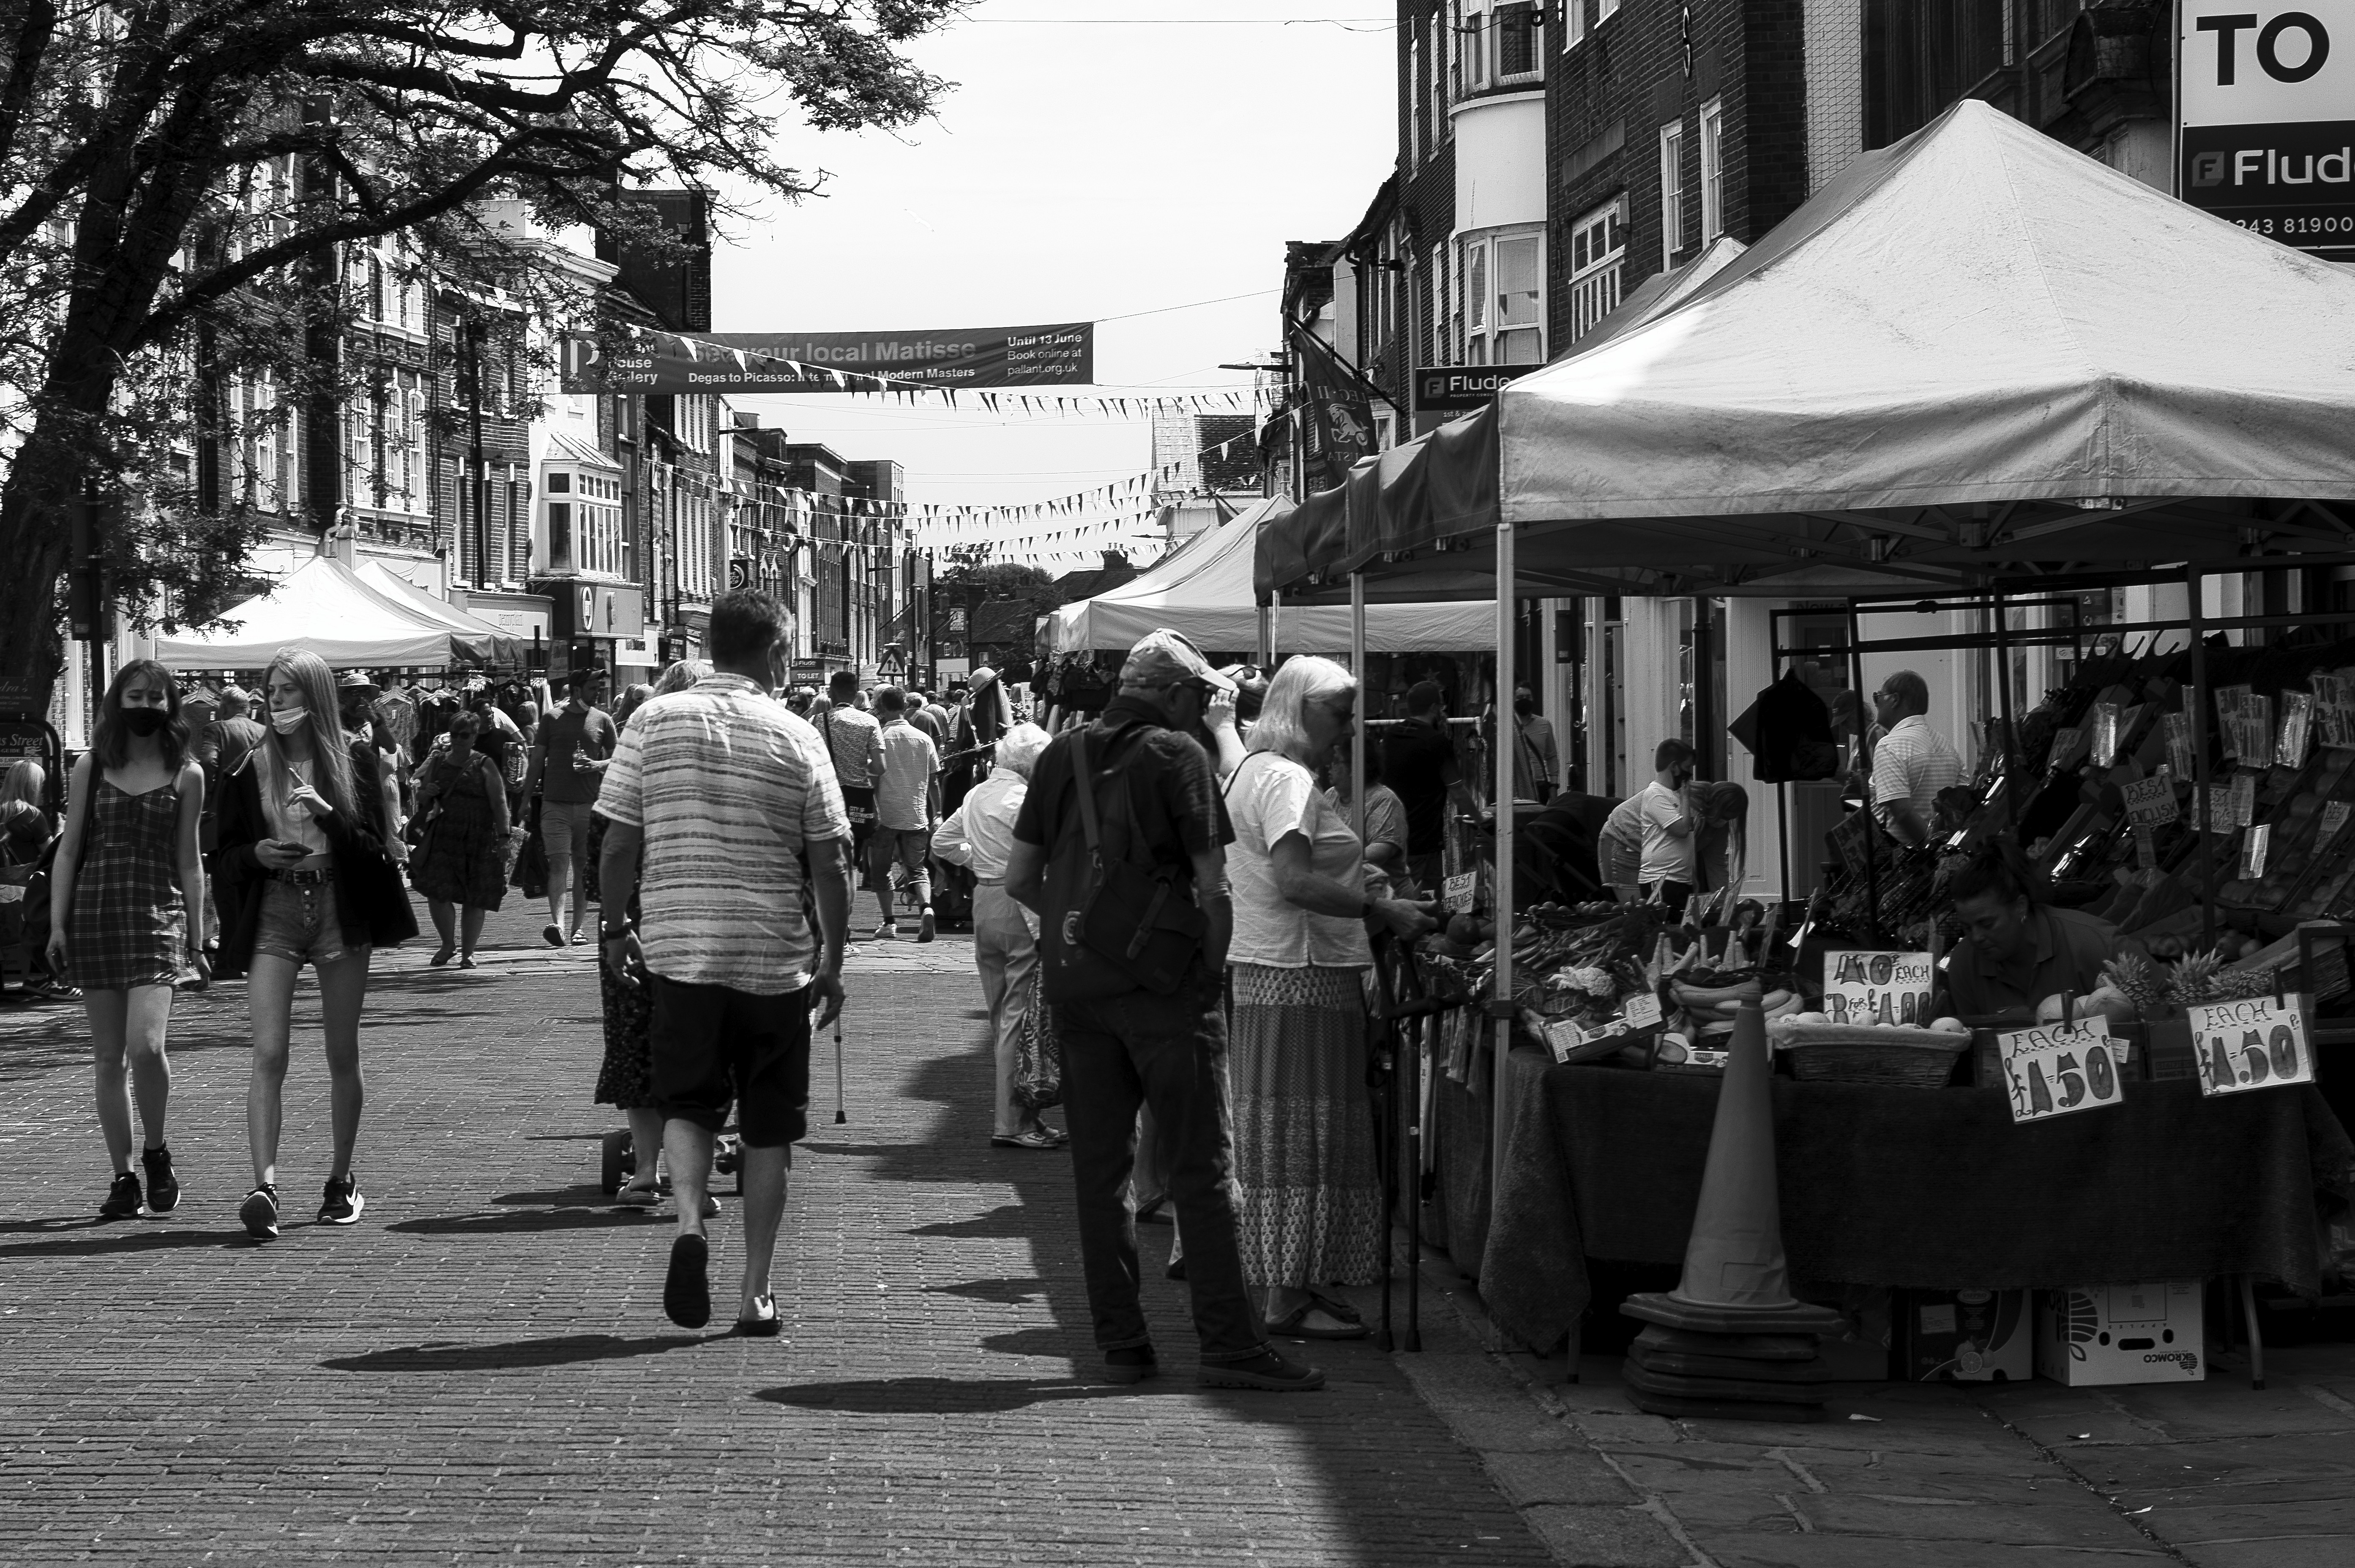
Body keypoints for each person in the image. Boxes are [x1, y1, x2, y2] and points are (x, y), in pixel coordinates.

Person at [1006, 627, 1323, 1393]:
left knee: (1100, 1173)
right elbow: (1213, 886)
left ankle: (1121, 1344)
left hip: (1080, 988)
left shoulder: (1060, 754)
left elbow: (1020, 876)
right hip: (1165, 992)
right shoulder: (1178, 755)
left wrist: (1085, 930)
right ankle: (1229, 1343)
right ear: (1178, 696)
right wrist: (1204, 967)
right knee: (1201, 1170)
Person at [596, 590, 855, 1334]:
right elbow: (831, 861)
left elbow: (618, 840)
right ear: (776, 654)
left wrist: (616, 929)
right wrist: (833, 961)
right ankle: (755, 1293)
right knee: (770, 1126)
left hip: (680, 950)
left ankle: (686, 1220)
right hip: (775, 958)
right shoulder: (797, 735)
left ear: (711, 649)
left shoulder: (650, 720)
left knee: (687, 1100)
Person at [1223, 657, 1436, 1341]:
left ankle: (1296, 1280)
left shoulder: (1254, 770)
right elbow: (1293, 880)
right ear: (1303, 709)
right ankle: (1288, 1293)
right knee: (1302, 1138)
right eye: (1340, 713)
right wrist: (1386, 909)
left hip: (1275, 969)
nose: (1349, 728)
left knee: (1288, 1135)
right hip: (1301, 972)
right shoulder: (1284, 778)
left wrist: (1366, 881)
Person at [216, 647, 418, 1240]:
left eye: (287, 690)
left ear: (314, 696)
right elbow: (224, 854)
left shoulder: (350, 758)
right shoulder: (250, 765)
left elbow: (378, 851)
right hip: (277, 903)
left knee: (340, 1051)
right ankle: (265, 1185)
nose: (276, 701)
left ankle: (341, 1179)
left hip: (338, 902)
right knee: (269, 1051)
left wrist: (330, 814)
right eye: (271, 691)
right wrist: (256, 852)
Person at [44, 662, 207, 1219]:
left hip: (158, 915)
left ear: (170, 705)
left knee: (147, 1046)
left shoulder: (187, 773)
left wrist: (200, 935)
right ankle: (123, 1174)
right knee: (108, 1057)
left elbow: (190, 859)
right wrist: (58, 923)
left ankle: (156, 1151)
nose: (144, 704)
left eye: (154, 696)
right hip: (96, 913)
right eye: (134, 695)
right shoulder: (91, 765)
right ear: (118, 700)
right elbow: (68, 849)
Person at [596, 658, 715, 1213]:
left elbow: (617, 845)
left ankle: (645, 1170)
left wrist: (615, 923)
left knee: (635, 1037)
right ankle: (693, 1177)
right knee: (701, 1041)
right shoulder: (732, 750)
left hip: (645, 909)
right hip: (710, 910)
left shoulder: (640, 746)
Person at [934, 722, 1062, 1150]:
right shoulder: (1025, 799)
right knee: (1019, 1018)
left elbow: (942, 841)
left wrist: (978, 861)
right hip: (1020, 906)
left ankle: (1023, 1113)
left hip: (985, 904)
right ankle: (1012, 1121)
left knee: (1001, 1018)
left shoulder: (976, 794)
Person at [1941, 839, 2117, 1021]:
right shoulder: (1965, 964)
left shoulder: (2094, 944)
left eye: (1987, 924)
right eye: (1967, 928)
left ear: (2020, 907)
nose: (1976, 937)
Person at [407, 711, 510, 968]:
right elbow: (422, 799)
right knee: (438, 893)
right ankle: (447, 944)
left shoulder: (484, 764)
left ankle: (469, 952)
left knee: (475, 897)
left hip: (479, 836)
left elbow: (499, 803)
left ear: (474, 736)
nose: (458, 740)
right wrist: (426, 793)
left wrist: (504, 837)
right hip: (445, 836)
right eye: (454, 734)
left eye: (464, 735)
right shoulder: (438, 761)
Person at [522, 672, 618, 947]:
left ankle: (577, 929)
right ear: (577, 690)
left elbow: (620, 758)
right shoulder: (552, 719)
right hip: (555, 803)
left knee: (582, 867)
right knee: (558, 863)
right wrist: (526, 799)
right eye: (592, 687)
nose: (597, 692)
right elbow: (537, 759)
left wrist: (597, 765)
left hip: (590, 805)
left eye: (599, 687)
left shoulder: (603, 720)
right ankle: (559, 926)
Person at [1382, 680, 1483, 893]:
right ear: (1434, 708)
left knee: (1396, 896)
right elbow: (1457, 791)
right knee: (1424, 902)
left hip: (1391, 837)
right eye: (1442, 707)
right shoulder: (1436, 742)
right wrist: (1480, 819)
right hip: (1425, 841)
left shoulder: (1391, 735)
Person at [869, 687, 941, 942]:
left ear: (881, 707)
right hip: (915, 813)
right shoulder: (923, 739)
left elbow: (874, 778)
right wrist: (938, 812)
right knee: (917, 868)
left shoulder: (879, 738)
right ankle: (927, 909)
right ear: (904, 706)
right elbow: (933, 781)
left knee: (881, 870)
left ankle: (889, 922)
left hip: (885, 815)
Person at [1869, 670, 1964, 848]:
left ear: (1895, 699)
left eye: (1879, 697)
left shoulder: (1888, 747)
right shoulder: (1946, 745)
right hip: (1943, 854)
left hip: (1906, 861)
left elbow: (1903, 813)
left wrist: (1933, 851)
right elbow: (1962, 801)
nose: (1877, 704)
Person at [817, 670, 885, 891]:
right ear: (856, 694)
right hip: (859, 797)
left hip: (828, 798)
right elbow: (880, 767)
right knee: (854, 856)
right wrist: (860, 766)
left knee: (832, 857)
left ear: (830, 693)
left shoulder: (818, 721)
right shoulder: (870, 722)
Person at [1624, 738, 1700, 910]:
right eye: (1688, 768)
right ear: (1674, 767)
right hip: (1661, 879)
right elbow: (1681, 830)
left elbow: (1688, 837)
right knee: (1665, 929)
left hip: (1680, 878)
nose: (1690, 774)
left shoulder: (1675, 795)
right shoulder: (1656, 795)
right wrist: (1687, 798)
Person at [1511, 687, 1559, 803]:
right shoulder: (1506, 726)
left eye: (1528, 697)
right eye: (1520, 698)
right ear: (1512, 700)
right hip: (1515, 787)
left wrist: (1554, 787)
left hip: (1539, 785)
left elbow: (1551, 757)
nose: (1524, 700)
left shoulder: (1544, 725)